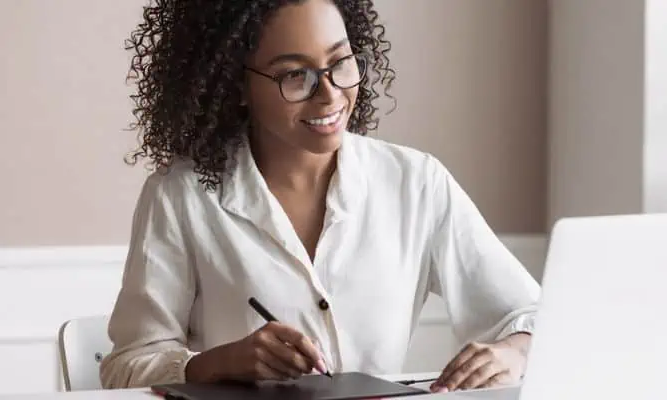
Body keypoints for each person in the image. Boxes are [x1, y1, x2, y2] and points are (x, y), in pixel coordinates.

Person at [99, 0, 541, 394]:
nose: (330, 94)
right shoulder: (181, 197)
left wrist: (513, 354)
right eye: (295, 75)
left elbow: (530, 315)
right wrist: (216, 364)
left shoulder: (416, 182)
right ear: (234, 84)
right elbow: (125, 367)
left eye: (341, 62)